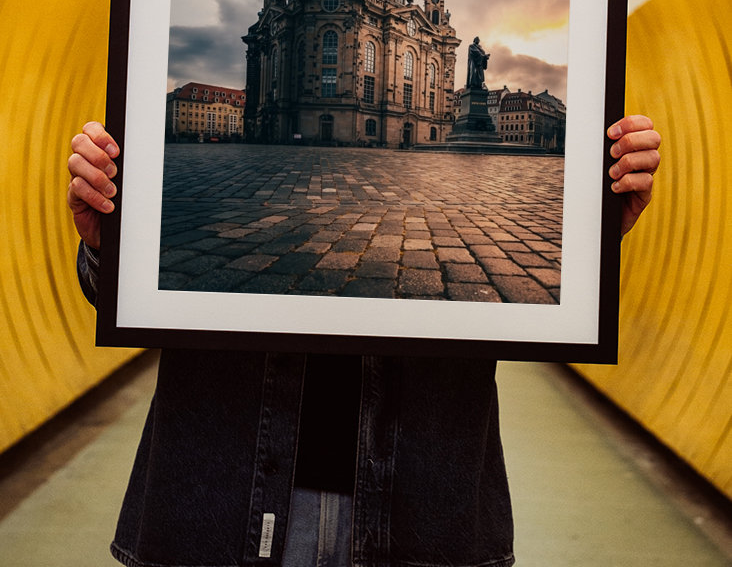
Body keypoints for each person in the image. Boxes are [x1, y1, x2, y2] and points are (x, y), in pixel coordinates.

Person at [68, 115, 660, 567]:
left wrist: (586, 241)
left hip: (423, 509)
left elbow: (535, 307)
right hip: (217, 500)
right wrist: (110, 246)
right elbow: (117, 296)